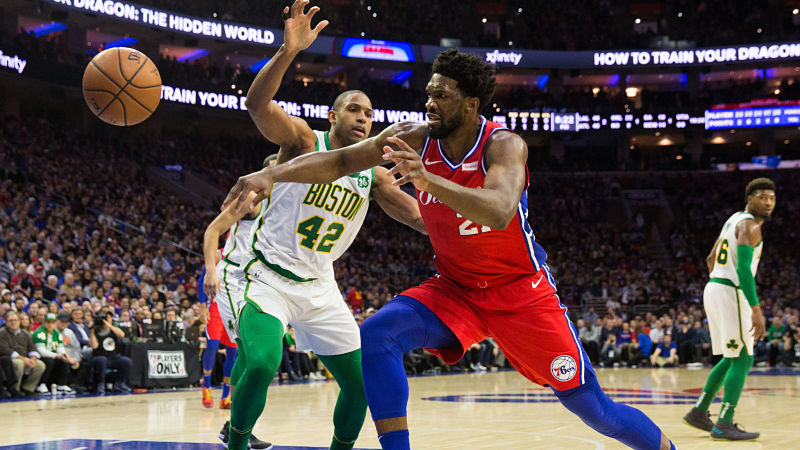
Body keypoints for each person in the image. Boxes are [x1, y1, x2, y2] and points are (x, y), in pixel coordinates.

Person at [224, 48, 675, 450]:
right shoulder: (414, 136)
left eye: (441, 95)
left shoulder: (504, 145)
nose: (429, 103)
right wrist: (272, 175)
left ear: (471, 103)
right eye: (429, 93)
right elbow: (341, 160)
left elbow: (498, 210)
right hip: (456, 289)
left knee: (594, 409)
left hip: (521, 293)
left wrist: (426, 180)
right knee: (377, 336)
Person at [221, 2, 425, 449]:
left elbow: (415, 215)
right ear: (333, 117)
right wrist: (287, 51)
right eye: (354, 110)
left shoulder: (373, 172)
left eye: (369, 114)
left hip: (319, 286)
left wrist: (476, 227)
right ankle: (236, 444)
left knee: (362, 384)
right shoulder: (301, 140)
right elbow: (256, 104)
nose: (363, 119)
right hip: (266, 275)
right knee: (261, 363)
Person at [683, 178, 774, 441]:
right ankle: (724, 421)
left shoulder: (733, 219)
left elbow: (710, 258)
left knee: (732, 356)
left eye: (771, 198)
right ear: (750, 199)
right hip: (730, 290)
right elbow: (744, 269)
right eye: (761, 196)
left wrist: (720, 282)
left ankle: (700, 410)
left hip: (715, 287)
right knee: (744, 357)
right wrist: (755, 309)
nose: (767, 202)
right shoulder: (750, 226)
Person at [203, 156, 278, 449]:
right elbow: (212, 231)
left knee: (250, 354)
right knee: (248, 351)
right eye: (273, 168)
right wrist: (211, 269)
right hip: (233, 279)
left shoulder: (287, 204)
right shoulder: (251, 199)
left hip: (259, 281)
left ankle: (237, 426)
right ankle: (235, 428)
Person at [0, 310, 46, 395]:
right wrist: (23, 359)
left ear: (19, 321)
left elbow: (33, 348)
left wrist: (33, 359)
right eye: (11, 321)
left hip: (25, 358)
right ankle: (15, 389)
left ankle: (28, 388)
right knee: (19, 363)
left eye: (15, 320)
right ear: (6, 322)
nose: (13, 323)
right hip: (10, 358)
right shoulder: (2, 333)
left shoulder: (26, 333)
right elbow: (5, 349)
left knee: (40, 365)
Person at [90, 310, 132, 394]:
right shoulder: (96, 331)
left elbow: (121, 335)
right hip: (99, 357)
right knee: (102, 360)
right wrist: (92, 332)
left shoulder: (114, 329)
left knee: (126, 361)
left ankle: (120, 383)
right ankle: (100, 384)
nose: (106, 320)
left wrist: (109, 325)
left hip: (113, 358)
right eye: (105, 318)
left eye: (108, 318)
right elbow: (94, 346)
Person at [32, 312, 73, 393]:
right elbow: (41, 351)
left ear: (56, 323)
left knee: (64, 361)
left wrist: (64, 355)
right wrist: (58, 355)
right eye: (48, 322)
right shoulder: (39, 332)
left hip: (53, 356)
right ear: (44, 322)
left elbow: (60, 347)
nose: (50, 325)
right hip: (40, 357)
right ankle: (41, 384)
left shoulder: (57, 333)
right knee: (49, 361)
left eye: (53, 322)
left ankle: (61, 385)